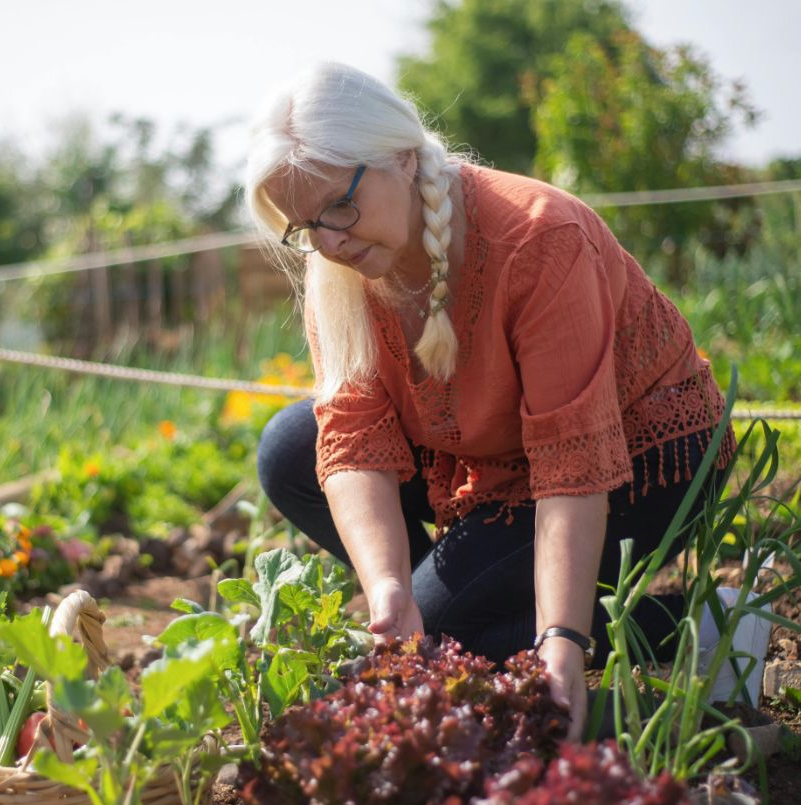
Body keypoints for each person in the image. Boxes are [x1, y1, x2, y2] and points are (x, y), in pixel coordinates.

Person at [246, 62, 737, 739]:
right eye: (304, 226)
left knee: (447, 635)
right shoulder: (341, 266)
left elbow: (572, 467)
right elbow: (354, 436)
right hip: (494, 458)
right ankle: (457, 608)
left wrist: (562, 639)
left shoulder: (539, 238)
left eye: (338, 206)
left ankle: (706, 625)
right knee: (289, 450)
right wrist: (388, 586)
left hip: (640, 460)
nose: (328, 242)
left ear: (402, 157)